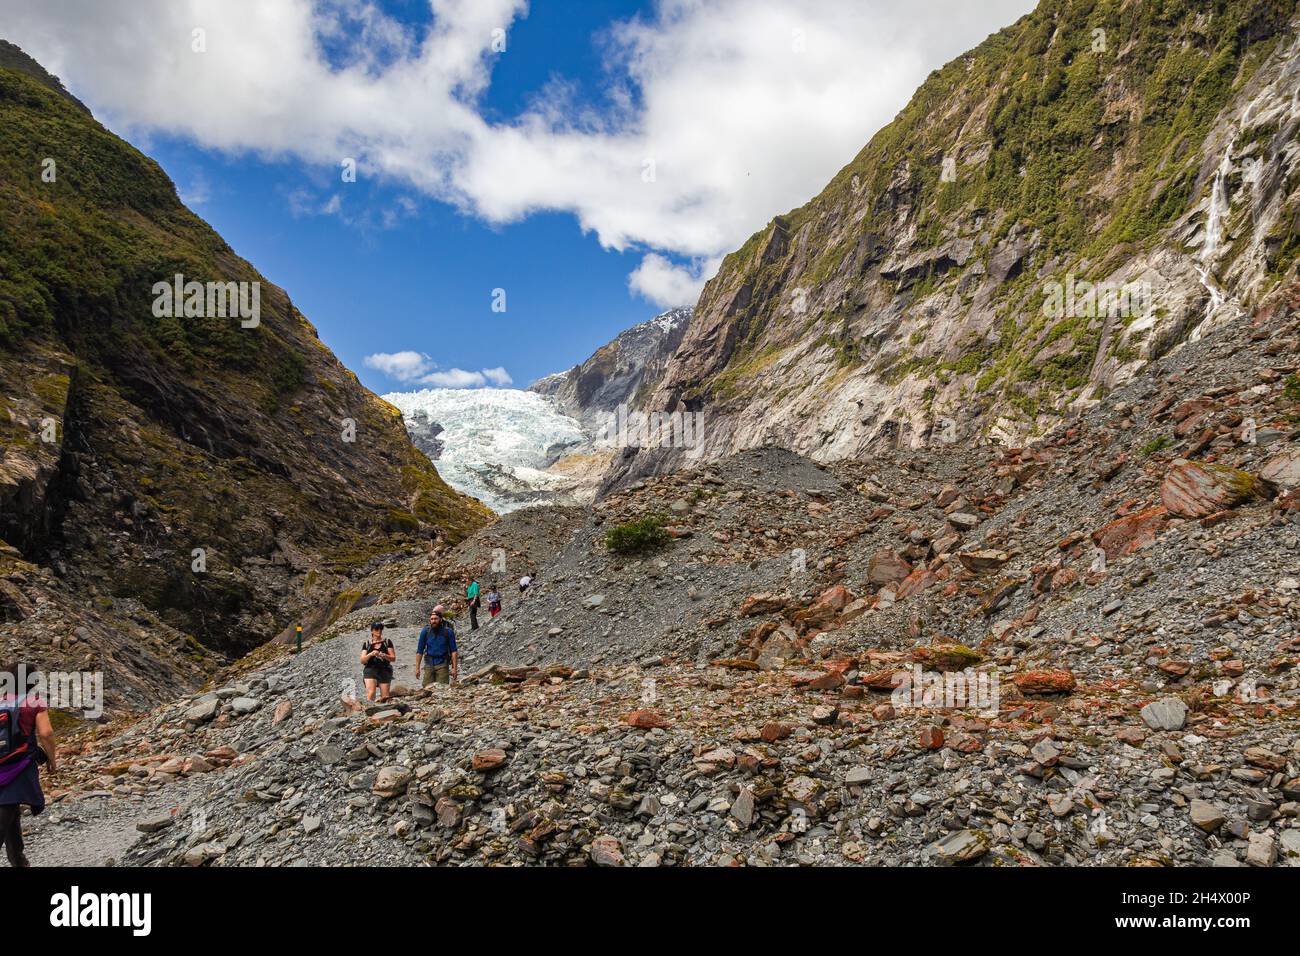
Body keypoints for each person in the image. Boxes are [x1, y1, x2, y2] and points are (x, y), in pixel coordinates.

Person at [1, 661, 57, 868]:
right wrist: (51, 759)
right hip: (19, 764)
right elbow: (46, 733)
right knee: (7, 807)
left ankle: (19, 861)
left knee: (10, 810)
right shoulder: (34, 702)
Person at [415, 606, 458, 687]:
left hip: (443, 664)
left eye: (436, 619)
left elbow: (454, 651)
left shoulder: (448, 632)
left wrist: (454, 668)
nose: (433, 621)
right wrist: (417, 668)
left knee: (442, 689)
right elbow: (419, 651)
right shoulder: (425, 631)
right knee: (426, 688)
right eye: (432, 619)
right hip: (429, 664)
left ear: (440, 619)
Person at [360, 623, 395, 702]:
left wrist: (384, 655)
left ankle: (383, 711)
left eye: (381, 629)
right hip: (370, 668)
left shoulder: (387, 642)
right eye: (376, 629)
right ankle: (370, 710)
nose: (379, 631)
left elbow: (393, 658)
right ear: (372, 631)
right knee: (371, 693)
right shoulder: (367, 644)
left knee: (385, 696)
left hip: (384, 669)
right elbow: (362, 660)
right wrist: (371, 654)